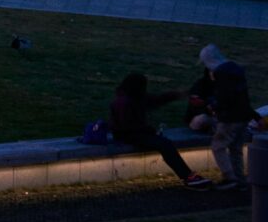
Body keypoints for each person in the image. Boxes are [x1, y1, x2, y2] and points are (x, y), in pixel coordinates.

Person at [108, 72, 209, 187]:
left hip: (134, 133)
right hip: (127, 135)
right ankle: (188, 176)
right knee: (165, 145)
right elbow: (126, 126)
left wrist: (178, 94)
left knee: (165, 144)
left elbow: (159, 99)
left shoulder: (133, 97)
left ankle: (188, 176)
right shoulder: (125, 102)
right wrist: (149, 130)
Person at [201, 44, 253, 186]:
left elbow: (225, 97)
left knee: (218, 146)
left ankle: (230, 177)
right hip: (243, 115)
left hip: (230, 118)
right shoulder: (235, 68)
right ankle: (240, 179)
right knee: (236, 149)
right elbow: (242, 96)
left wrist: (213, 105)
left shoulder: (220, 73)